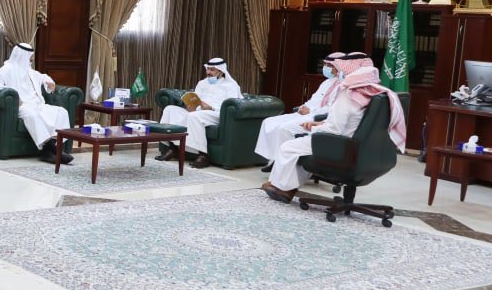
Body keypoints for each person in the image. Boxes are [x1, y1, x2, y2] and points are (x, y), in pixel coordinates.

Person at [261, 53, 407, 202]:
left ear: (350, 69)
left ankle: (282, 189)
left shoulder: (348, 92)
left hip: (339, 144)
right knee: (300, 145)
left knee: (288, 147)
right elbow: (355, 120)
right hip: (361, 147)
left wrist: (314, 129)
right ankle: (286, 186)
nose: (338, 72)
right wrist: (320, 124)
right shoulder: (375, 92)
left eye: (340, 68)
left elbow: (334, 129)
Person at [255, 52, 345, 172]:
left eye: (329, 65)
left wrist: (310, 111)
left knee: (284, 128)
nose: (326, 67)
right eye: (325, 64)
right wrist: (303, 107)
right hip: (305, 113)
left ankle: (281, 164)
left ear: (337, 66)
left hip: (317, 117)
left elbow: (331, 108)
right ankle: (273, 159)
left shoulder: (343, 86)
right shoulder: (327, 82)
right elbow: (314, 99)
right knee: (268, 122)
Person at [0, 42, 73, 164]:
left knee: (61, 112)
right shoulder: (5, 70)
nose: (31, 60)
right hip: (21, 106)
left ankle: (48, 151)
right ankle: (53, 149)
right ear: (22, 56)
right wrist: (14, 96)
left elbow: (43, 77)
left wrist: (49, 81)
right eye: (29, 58)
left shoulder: (29, 71)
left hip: (36, 104)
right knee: (33, 116)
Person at [156, 57, 243, 169]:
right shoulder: (202, 83)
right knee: (170, 109)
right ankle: (173, 148)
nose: (208, 72)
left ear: (221, 71)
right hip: (198, 111)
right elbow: (195, 99)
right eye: (207, 69)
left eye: (212, 70)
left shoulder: (231, 85)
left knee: (194, 116)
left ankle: (203, 155)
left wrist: (210, 107)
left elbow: (232, 104)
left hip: (217, 113)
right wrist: (191, 106)